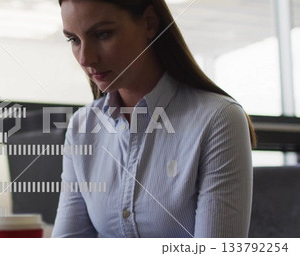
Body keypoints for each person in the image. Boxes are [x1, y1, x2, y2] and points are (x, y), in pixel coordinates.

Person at [52, 0, 256, 238]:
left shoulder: (218, 119)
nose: (85, 58)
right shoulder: (82, 127)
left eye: (102, 34)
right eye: (73, 40)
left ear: (149, 23)